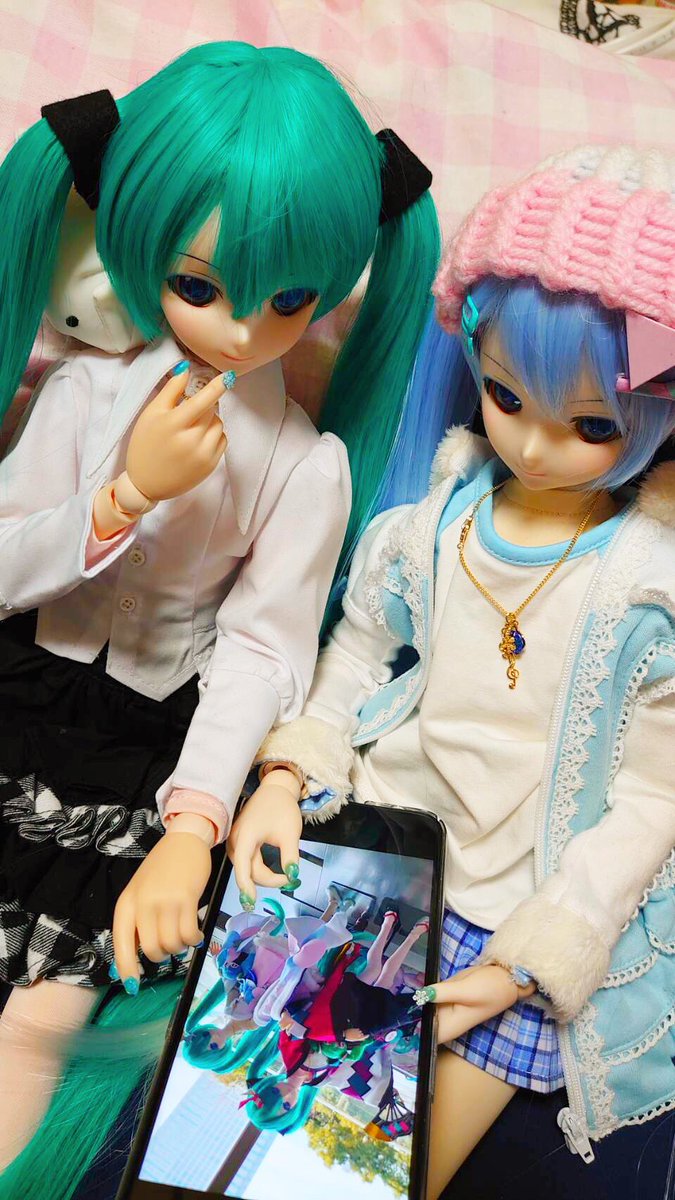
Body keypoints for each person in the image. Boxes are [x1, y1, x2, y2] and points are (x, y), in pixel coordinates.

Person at [0, 41, 439, 1192]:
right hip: (21, 690)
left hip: (149, 752)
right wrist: (119, 498)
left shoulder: (304, 464)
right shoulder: (84, 390)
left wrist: (191, 830)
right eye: (201, 287)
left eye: (287, 301)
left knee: (43, 1014)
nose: (243, 330)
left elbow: (262, 652)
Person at [237, 144, 675, 1196]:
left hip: (514, 909)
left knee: (372, 1173)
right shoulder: (435, 520)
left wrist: (531, 956)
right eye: (506, 396)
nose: (534, 447)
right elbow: (356, 651)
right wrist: (288, 774)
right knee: (251, 1123)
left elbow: (655, 798)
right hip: (375, 854)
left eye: (592, 425)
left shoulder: (649, 590)